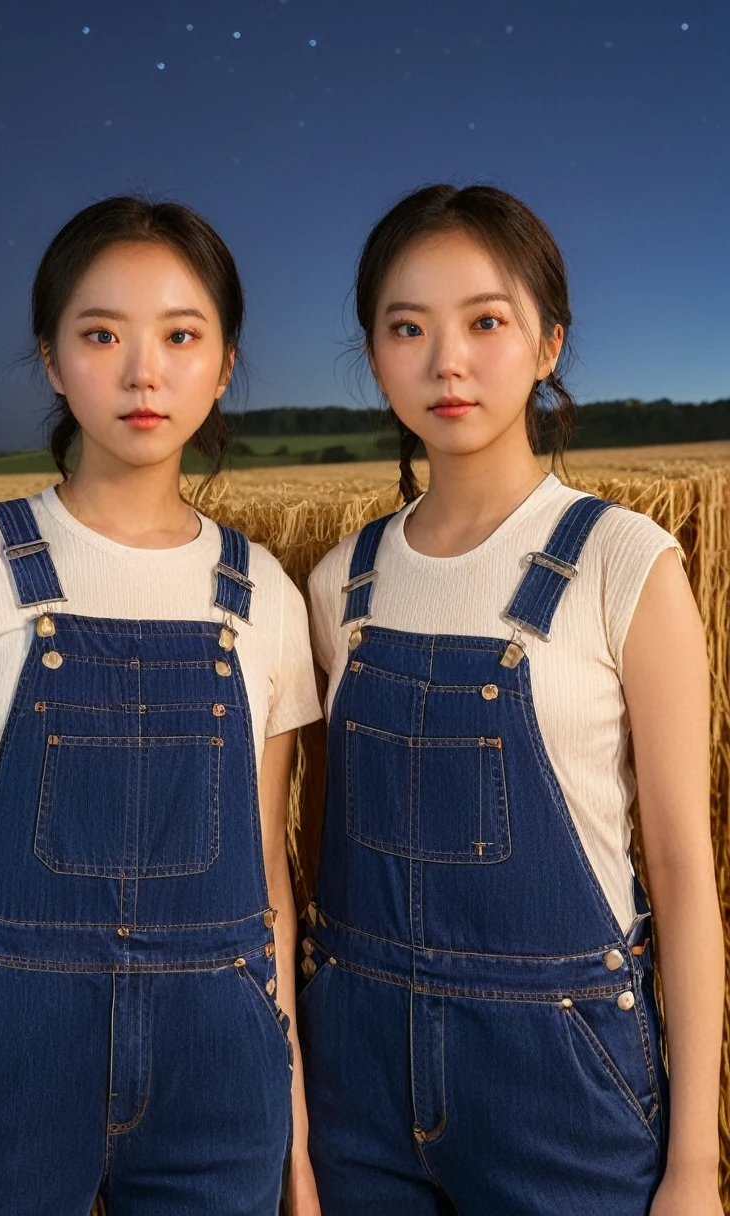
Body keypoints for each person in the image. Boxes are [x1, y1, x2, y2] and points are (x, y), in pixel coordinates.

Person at [298, 183, 724, 1215]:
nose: (446, 361)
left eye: (486, 321)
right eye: (408, 327)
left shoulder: (626, 564)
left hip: (562, 1082)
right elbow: (317, 856)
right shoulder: (337, 585)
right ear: (374, 355)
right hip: (355, 1076)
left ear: (547, 346)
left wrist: (692, 1164)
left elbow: (678, 871)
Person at [0, 195, 322, 1215]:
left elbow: (267, 871)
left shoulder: (262, 590)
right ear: (51, 358)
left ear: (222, 365)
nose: (143, 372)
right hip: (2, 1061)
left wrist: (297, 1148)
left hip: (220, 1073)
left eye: (181, 336)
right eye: (101, 335)